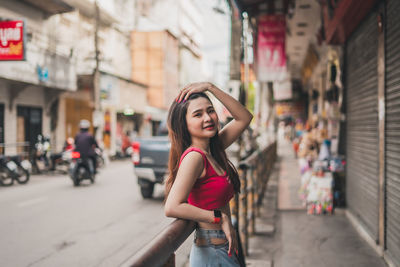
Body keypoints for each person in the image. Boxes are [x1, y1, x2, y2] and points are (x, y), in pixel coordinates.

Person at [164, 82, 253, 267]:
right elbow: (172, 207)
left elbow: (244, 117)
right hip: (213, 253)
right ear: (184, 124)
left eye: (210, 111)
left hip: (223, 247)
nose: (208, 118)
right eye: (198, 114)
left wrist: (211, 87)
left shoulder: (214, 148)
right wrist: (219, 218)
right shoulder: (194, 157)